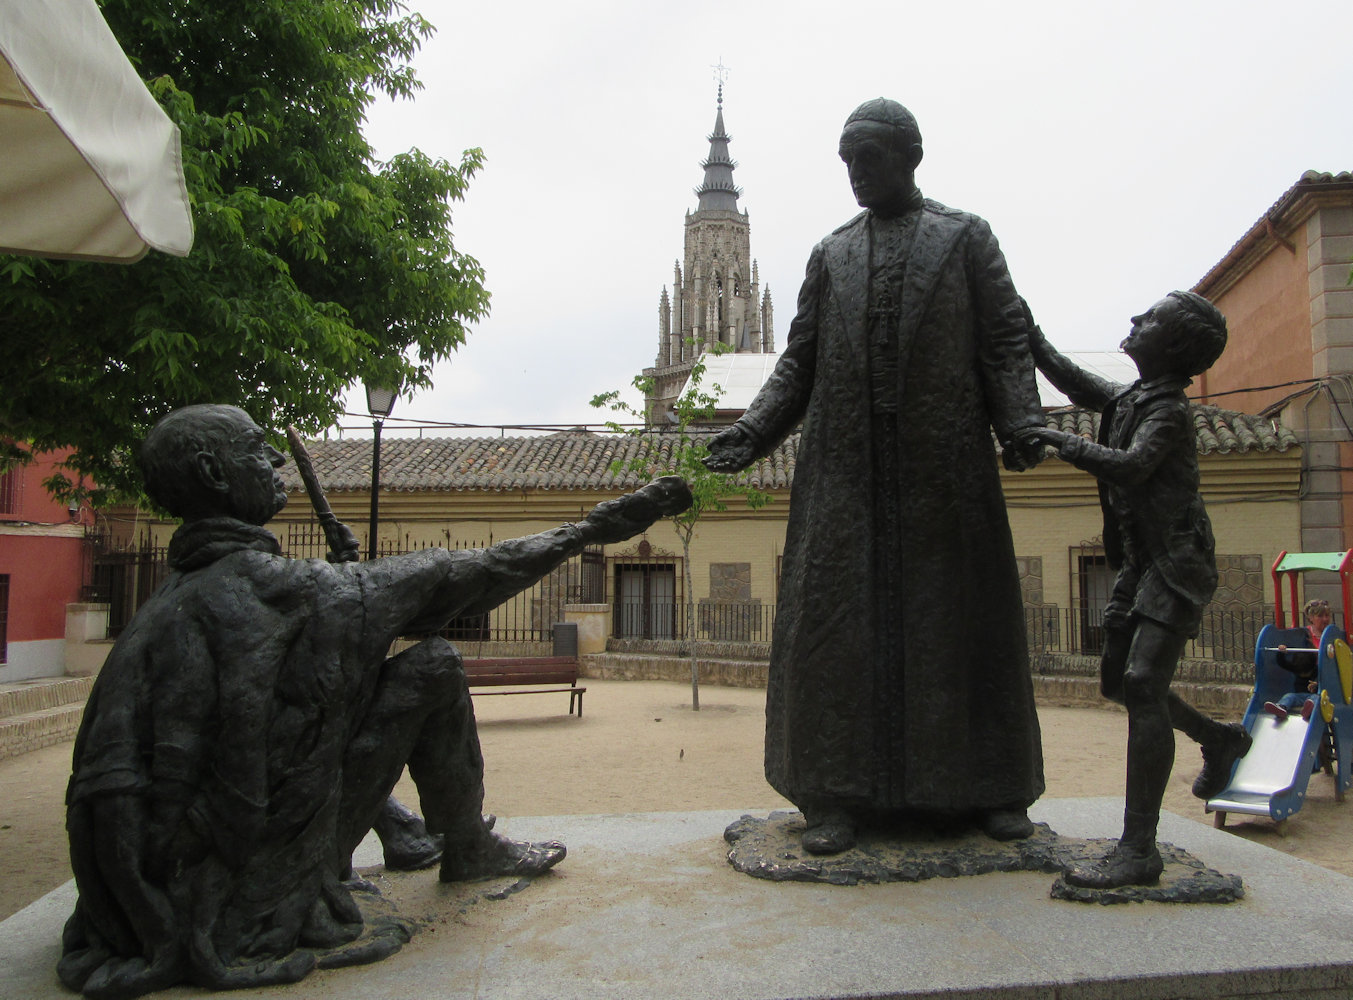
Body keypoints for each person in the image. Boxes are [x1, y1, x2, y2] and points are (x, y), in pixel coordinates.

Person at [60, 404, 691, 999]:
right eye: (258, 450)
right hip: (238, 882)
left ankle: (407, 831)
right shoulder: (270, 588)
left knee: (342, 686)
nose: (278, 459)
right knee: (435, 665)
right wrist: (593, 528)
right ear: (212, 474)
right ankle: (465, 845)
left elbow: (301, 724)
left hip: (156, 886)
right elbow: (463, 577)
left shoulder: (169, 605)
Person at [703, 98, 1047, 855]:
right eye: (847, 161)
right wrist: (750, 434)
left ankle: (992, 787)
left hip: (944, 464)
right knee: (836, 633)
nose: (856, 174)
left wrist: (1018, 421)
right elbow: (798, 361)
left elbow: (1003, 338)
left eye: (869, 158)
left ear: (909, 155)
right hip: (845, 472)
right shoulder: (831, 255)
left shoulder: (965, 239)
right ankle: (832, 795)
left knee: (961, 624)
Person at [1023, 291, 1252, 888]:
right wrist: (1032, 334)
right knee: (1114, 681)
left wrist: (1053, 439)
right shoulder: (1135, 398)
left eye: (1148, 320)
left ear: (1172, 346)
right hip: (1141, 561)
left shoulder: (1169, 412)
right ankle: (1218, 737)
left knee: (1144, 685)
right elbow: (1083, 387)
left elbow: (1128, 465)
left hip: (1176, 564)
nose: (1133, 321)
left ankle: (1139, 848)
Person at [1266, 597, 1330, 722]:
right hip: (1305, 688)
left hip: (1324, 689)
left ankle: (1309, 709)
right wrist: (1281, 651)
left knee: (1317, 698)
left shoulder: (1331, 635)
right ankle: (1281, 707)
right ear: (1311, 618)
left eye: (1327, 616)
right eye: (1320, 616)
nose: (1325, 619)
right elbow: (1288, 661)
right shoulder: (1303, 635)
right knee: (1290, 696)